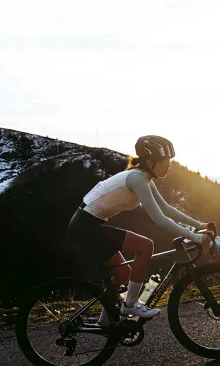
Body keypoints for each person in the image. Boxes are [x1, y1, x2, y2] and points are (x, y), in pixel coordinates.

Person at [66, 135, 212, 320]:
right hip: (86, 226)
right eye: (165, 162)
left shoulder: (144, 177)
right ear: (151, 162)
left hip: (89, 224)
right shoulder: (137, 179)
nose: (169, 166)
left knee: (123, 273)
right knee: (145, 246)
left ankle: (107, 321)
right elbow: (160, 219)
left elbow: (166, 208)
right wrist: (195, 237)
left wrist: (199, 225)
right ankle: (130, 304)